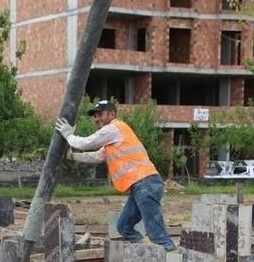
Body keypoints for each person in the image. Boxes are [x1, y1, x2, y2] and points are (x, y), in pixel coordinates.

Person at [56, 100, 176, 251]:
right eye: (95, 115)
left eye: (100, 114)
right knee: (124, 226)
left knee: (158, 235)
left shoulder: (114, 128)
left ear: (112, 114)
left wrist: (68, 135)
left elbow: (86, 143)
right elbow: (97, 157)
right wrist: (72, 156)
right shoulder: (112, 139)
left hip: (146, 183)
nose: (96, 118)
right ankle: (148, 251)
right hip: (140, 186)